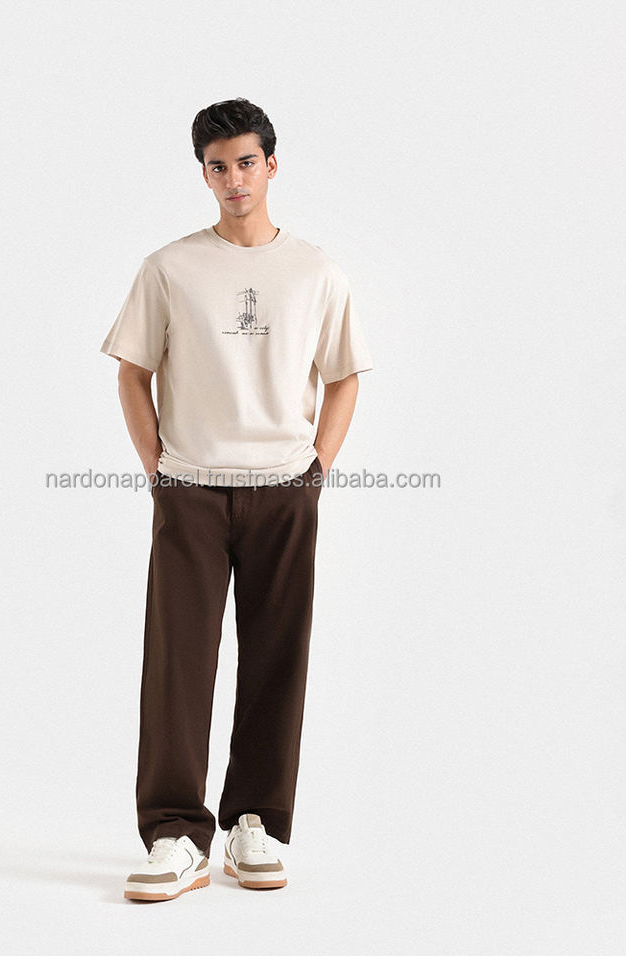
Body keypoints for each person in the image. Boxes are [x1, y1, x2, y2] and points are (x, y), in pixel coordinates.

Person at [100, 97, 374, 902]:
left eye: (246, 162)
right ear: (204, 174)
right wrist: (160, 470)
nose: (233, 179)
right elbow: (132, 373)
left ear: (272, 165)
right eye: (217, 167)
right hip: (190, 489)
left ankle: (254, 820)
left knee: (277, 657)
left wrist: (316, 469)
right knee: (177, 664)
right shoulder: (170, 268)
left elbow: (344, 376)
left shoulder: (317, 272)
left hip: (285, 488)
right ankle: (176, 836)